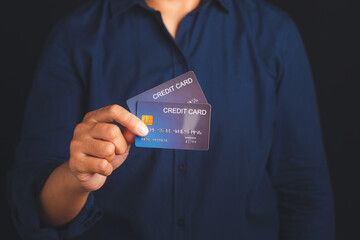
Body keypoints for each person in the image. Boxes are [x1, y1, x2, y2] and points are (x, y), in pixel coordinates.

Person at [8, 0, 335, 239]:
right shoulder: (75, 37)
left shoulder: (274, 34)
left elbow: (304, 191)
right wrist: (75, 176)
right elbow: (32, 209)